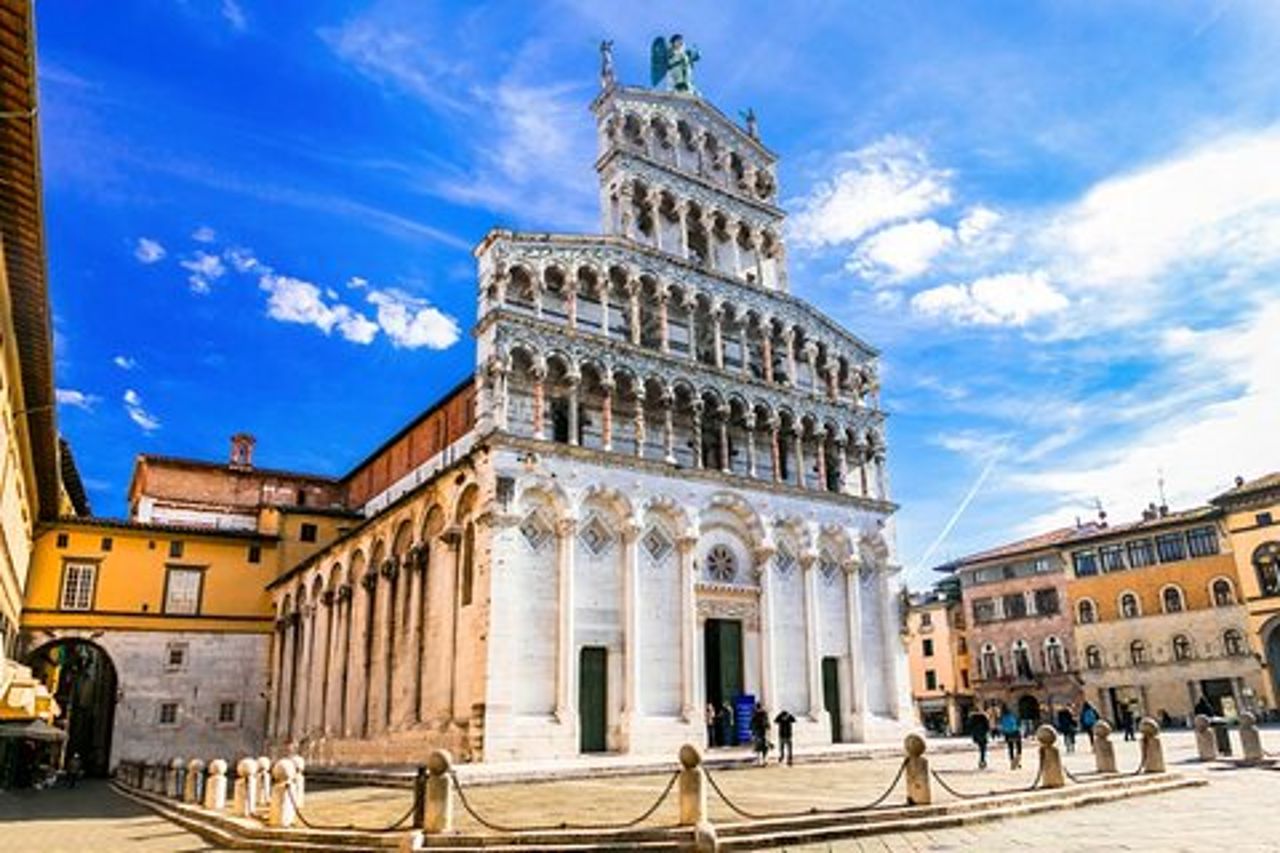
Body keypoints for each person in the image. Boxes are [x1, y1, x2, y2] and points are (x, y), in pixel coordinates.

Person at [1000, 705, 1022, 770]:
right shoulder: (1012, 716)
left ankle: (1012, 761)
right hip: (1015, 733)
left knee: (1011, 748)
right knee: (1019, 747)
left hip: (1008, 734)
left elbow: (1002, 727)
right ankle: (1018, 760)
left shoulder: (1003, 718)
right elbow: (1015, 724)